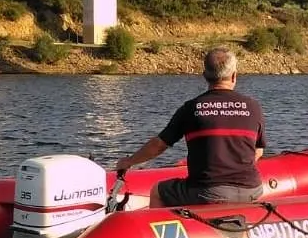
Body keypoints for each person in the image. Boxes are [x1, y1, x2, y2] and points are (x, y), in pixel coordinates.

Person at [114, 47, 266, 207]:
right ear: (234, 76)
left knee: (157, 191)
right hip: (252, 189)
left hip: (207, 192)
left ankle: (165, 229)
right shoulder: (254, 107)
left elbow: (158, 146)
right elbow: (258, 151)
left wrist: (129, 161)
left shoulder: (191, 108)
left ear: (205, 76)